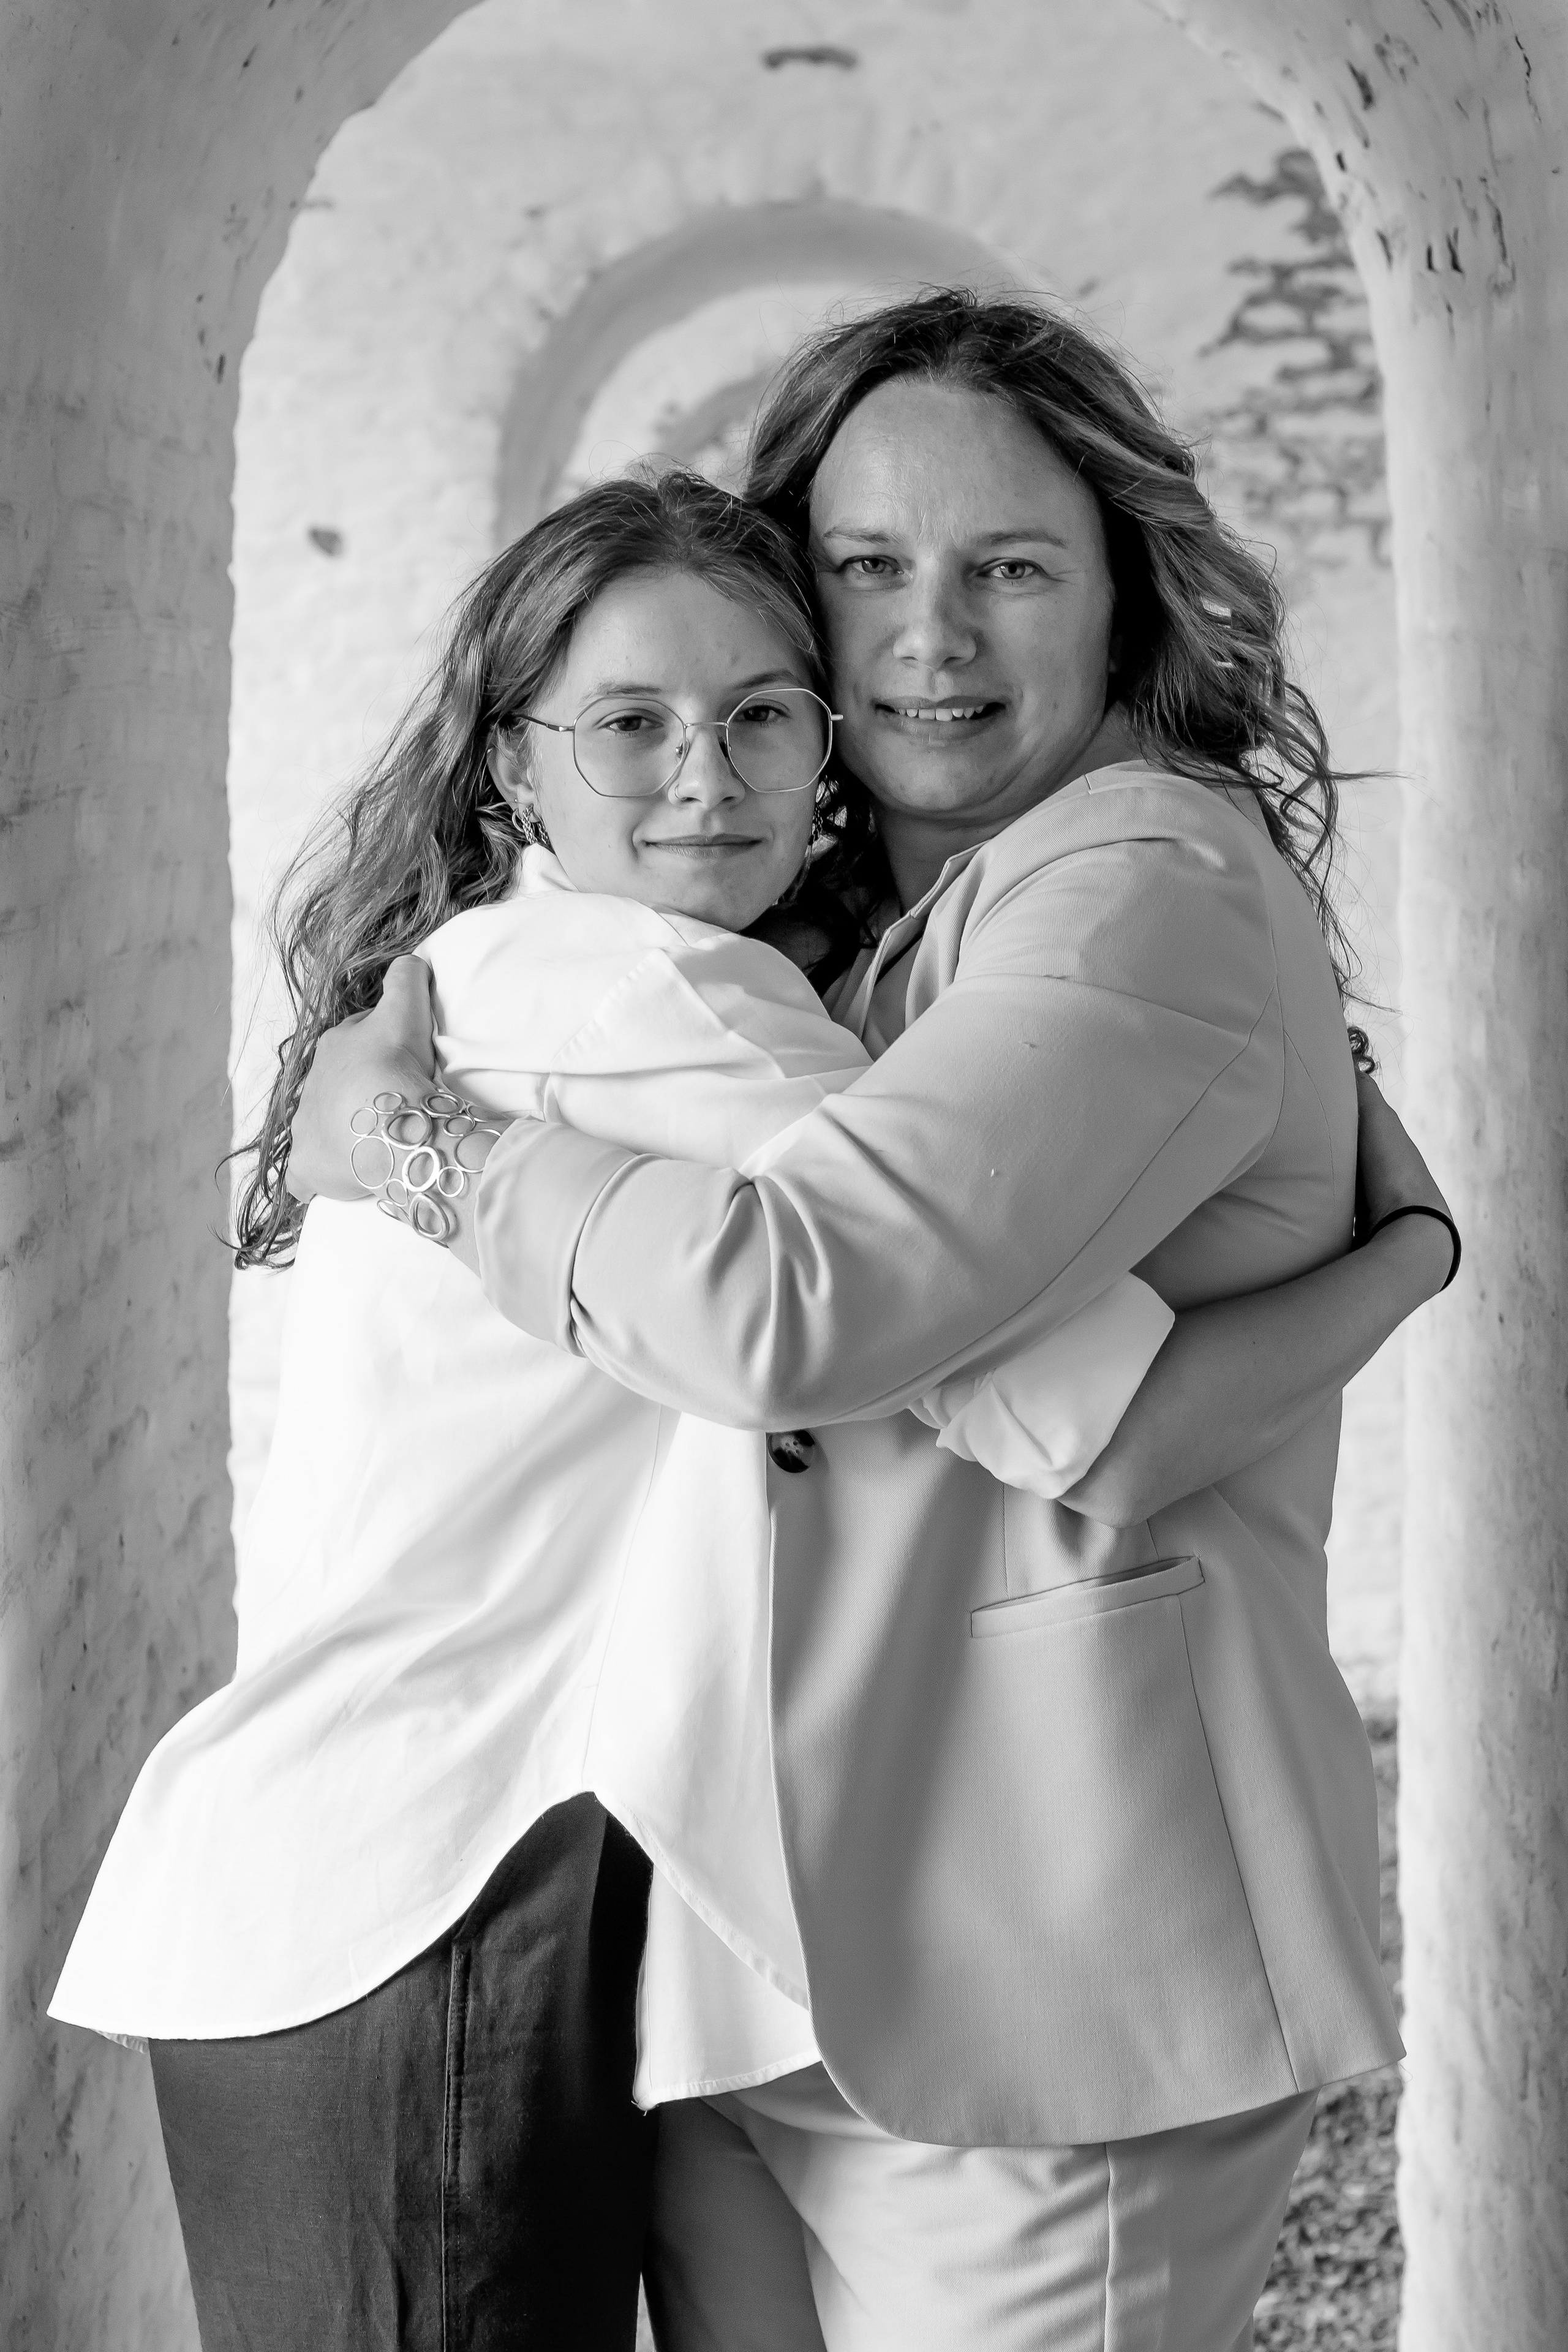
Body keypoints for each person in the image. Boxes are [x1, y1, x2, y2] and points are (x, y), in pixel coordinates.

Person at [288, 290, 1459, 2352]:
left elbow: (789, 1300)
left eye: (1010, 567)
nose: (931, 634)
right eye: (865, 569)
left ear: (1123, 596)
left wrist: (414, 1148)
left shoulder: (1136, 884)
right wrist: (1399, 1262)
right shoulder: (830, 943)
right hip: (778, 1959)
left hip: (1051, 1979)